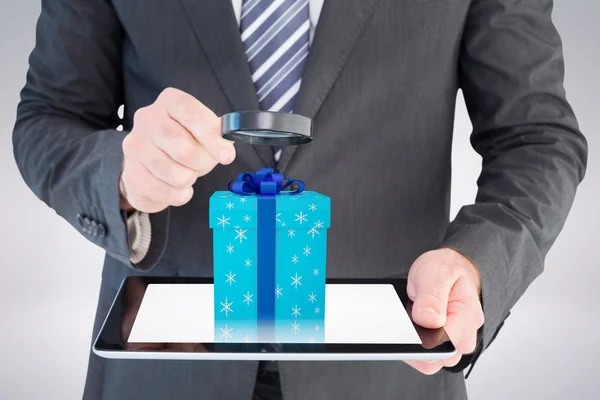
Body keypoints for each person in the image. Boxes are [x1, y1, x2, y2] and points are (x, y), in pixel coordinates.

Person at [12, 0, 587, 399]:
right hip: (164, 372)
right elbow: (48, 119)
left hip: (385, 377)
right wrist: (119, 175)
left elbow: (537, 137)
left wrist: (476, 261)